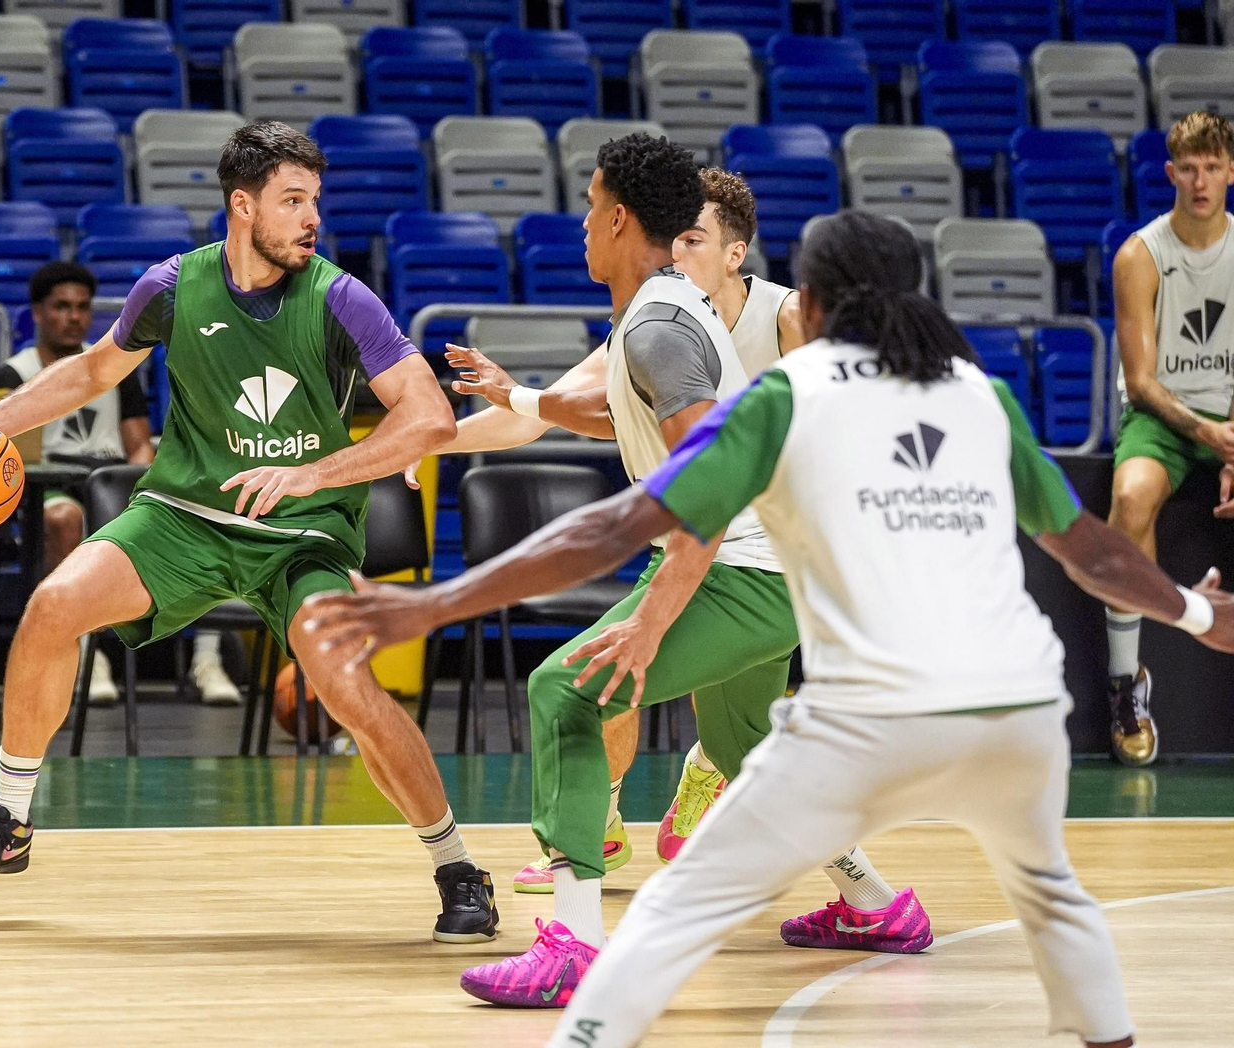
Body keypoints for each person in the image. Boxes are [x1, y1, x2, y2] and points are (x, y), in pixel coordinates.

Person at [303, 209, 1234, 1048]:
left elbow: (617, 525)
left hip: (870, 722)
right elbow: (1089, 550)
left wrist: (432, 604)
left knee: (669, 910)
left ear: (813, 302)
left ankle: (577, 987)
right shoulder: (976, 393)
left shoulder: (785, 396)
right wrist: (1197, 611)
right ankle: (914, 925)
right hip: (1022, 715)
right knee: (1057, 902)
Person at [0, 122, 500, 945]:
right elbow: (93, 370)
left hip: (301, 533)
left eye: (315, 202)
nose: (312, 219)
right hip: (184, 516)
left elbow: (430, 413)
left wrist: (316, 474)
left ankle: (456, 868)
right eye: (292, 201)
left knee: (344, 685)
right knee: (52, 607)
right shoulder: (171, 286)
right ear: (243, 205)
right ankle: (9, 819)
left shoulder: (341, 297)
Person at [422, 139, 923, 1009]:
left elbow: (712, 480)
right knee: (745, 748)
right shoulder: (656, 316)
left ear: (619, 219)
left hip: (748, 566)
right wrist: (507, 402)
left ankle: (574, 944)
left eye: (589, 205)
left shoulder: (661, 322)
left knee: (566, 692)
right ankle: (877, 904)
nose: (580, 223)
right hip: (771, 566)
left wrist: (649, 622)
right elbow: (606, 403)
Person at [0, 262, 241, 707]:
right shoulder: (13, 374)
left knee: (211, 514)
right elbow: (4, 458)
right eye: (62, 307)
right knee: (66, 518)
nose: (74, 317)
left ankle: (207, 659)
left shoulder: (114, 366)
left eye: (82, 308)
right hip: (45, 490)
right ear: (38, 314)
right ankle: (88, 656)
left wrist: (140, 491)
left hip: (108, 485)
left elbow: (140, 446)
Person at [1105, 109, 1234, 766]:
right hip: (1165, 419)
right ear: (1170, 173)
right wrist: (1207, 431)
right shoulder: (1141, 254)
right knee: (1129, 500)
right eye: (1189, 167)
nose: (1201, 180)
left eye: (1213, 166)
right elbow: (1143, 380)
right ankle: (1127, 684)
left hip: (1231, 418)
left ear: (1231, 171)